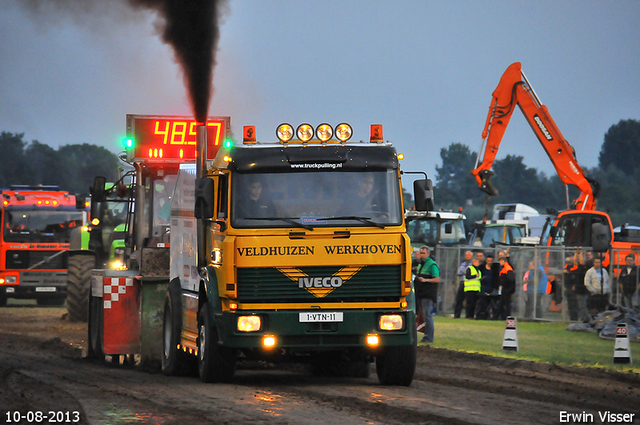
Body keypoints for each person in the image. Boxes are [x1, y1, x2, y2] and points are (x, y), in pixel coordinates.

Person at [414, 246, 440, 345]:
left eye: (423, 253)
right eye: (420, 252)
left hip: (428, 295)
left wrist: (426, 280)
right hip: (421, 294)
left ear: (428, 254)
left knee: (428, 315)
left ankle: (429, 337)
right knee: (424, 316)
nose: (421, 254)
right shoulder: (421, 264)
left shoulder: (432, 265)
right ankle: (426, 336)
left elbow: (437, 279)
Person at [563, 253, 585, 321]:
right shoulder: (566, 266)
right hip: (567, 287)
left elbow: (575, 276)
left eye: (570, 257)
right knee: (570, 304)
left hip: (574, 287)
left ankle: (576, 318)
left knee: (575, 303)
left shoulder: (575, 266)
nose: (569, 258)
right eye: (568, 257)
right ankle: (572, 318)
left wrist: (574, 285)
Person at [476, 254, 498, 319]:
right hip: (484, 287)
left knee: (493, 302)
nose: (490, 262)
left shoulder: (495, 268)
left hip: (492, 288)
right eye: (488, 260)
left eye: (491, 260)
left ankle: (493, 316)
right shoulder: (482, 267)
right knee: (482, 302)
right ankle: (482, 315)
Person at [572, 252, 591, 322]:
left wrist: (580, 252)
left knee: (583, 306)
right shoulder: (579, 267)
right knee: (580, 306)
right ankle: (584, 319)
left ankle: (589, 319)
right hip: (578, 289)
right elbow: (575, 261)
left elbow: (581, 262)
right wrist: (576, 252)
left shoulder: (586, 267)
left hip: (583, 290)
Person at [454, 251, 473, 318]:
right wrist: (465, 272)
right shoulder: (463, 264)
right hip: (462, 283)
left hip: (469, 284)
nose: (467, 256)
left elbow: (468, 273)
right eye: (466, 255)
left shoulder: (472, 264)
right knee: (459, 299)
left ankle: (468, 315)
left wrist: (464, 272)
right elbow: (458, 273)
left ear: (471, 256)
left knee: (468, 300)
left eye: (469, 255)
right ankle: (456, 315)